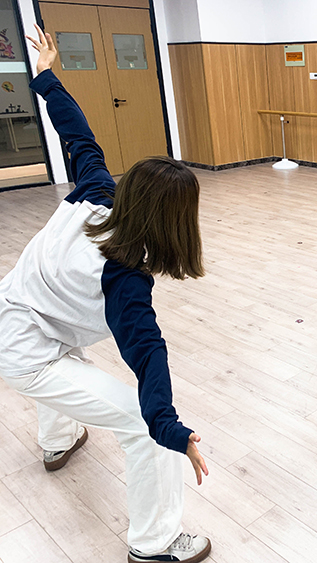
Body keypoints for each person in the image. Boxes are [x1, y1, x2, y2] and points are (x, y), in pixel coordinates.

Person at [0, 26, 211, 563]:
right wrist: (167, 426)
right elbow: (147, 351)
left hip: (18, 317)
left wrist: (46, 76)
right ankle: (155, 543)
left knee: (70, 353)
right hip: (28, 351)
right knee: (140, 425)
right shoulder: (123, 276)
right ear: (177, 220)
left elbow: (78, 135)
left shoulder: (94, 191)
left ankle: (58, 443)